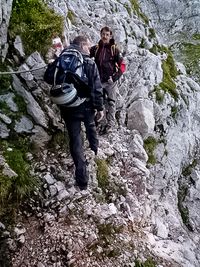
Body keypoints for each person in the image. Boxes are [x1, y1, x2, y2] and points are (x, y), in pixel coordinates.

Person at [60, 36, 104, 190]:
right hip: (85, 107)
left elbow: (48, 78)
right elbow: (97, 89)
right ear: (83, 45)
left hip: (67, 107)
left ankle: (82, 181)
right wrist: (99, 108)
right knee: (91, 127)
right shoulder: (90, 63)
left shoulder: (63, 59)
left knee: (76, 140)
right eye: (88, 46)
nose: (90, 49)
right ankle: (94, 150)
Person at [90, 26, 126, 134]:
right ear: (100, 35)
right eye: (103, 34)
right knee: (97, 102)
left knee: (111, 103)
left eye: (107, 34)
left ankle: (110, 125)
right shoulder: (96, 49)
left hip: (110, 82)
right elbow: (86, 55)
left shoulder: (114, 50)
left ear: (110, 36)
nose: (105, 36)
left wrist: (115, 77)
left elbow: (123, 66)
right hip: (98, 80)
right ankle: (97, 123)